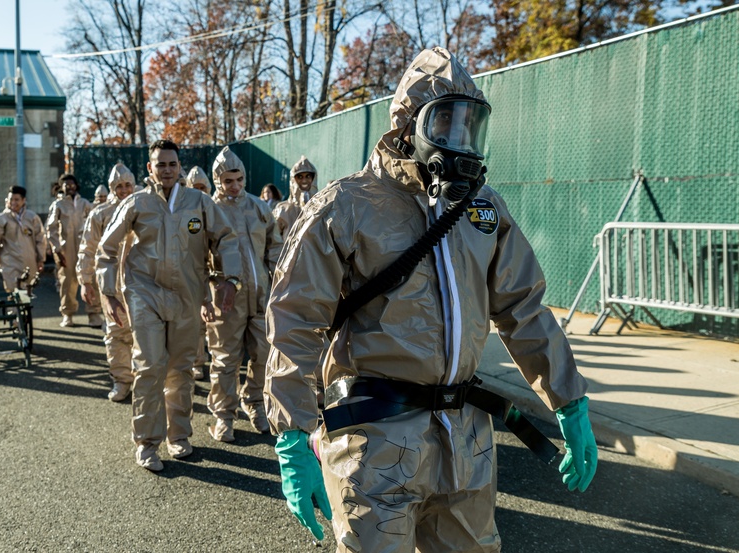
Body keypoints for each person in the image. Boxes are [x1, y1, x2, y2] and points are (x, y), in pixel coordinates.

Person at [264, 47, 597, 551]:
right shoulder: (345, 205)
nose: (460, 140)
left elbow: (522, 308)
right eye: (446, 122)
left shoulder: (483, 210)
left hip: (465, 440)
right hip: (373, 440)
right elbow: (295, 320)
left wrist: (569, 400)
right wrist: (292, 436)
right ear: (407, 125)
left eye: (470, 125)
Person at [96, 139, 242, 472]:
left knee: (180, 368)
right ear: (150, 169)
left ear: (179, 167)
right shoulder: (137, 203)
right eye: (160, 164)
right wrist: (108, 291)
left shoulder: (199, 202)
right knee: (149, 366)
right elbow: (107, 249)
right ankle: (147, 443)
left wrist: (230, 280)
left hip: (187, 295)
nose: (166, 170)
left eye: (172, 164)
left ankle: (178, 435)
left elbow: (225, 239)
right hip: (144, 291)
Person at [205, 147, 282, 441]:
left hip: (261, 294)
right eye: (227, 181)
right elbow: (199, 255)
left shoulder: (259, 207)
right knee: (225, 359)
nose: (234, 186)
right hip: (226, 298)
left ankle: (256, 404)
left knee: (263, 354)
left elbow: (274, 247)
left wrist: (277, 282)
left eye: (238, 179)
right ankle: (224, 415)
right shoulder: (208, 209)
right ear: (217, 180)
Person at [78, 163, 137, 402]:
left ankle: (147, 382)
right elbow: (87, 248)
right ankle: (122, 380)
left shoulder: (146, 204)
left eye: (127, 185)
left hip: (145, 281)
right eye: (118, 186)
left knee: (148, 334)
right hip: (112, 283)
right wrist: (85, 281)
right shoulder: (100, 213)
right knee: (117, 333)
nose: (123, 190)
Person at [47, 173, 102, 327]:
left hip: (86, 246)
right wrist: (57, 250)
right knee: (67, 281)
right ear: (61, 187)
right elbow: (51, 229)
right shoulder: (57, 205)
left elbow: (95, 222)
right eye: (66, 184)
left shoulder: (85, 203)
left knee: (90, 278)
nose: (69, 187)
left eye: (72, 184)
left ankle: (94, 313)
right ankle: (68, 314)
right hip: (66, 249)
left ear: (76, 185)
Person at [0, 186, 46, 293]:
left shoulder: (32, 217)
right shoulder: (1, 219)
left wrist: (41, 258)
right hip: (10, 262)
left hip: (29, 261)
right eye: (11, 199)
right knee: (13, 291)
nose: (13, 202)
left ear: (23, 200)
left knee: (27, 292)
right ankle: (12, 310)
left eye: (16, 200)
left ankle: (25, 310)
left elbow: (40, 239)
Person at [185, 165, 213, 381]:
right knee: (196, 321)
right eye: (195, 187)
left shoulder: (216, 207)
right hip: (194, 273)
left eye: (203, 187)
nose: (200, 191)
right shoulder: (186, 212)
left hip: (216, 274)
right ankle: (197, 361)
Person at [272, 156, 318, 240]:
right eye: (300, 177)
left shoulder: (321, 206)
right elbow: (274, 241)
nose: (304, 181)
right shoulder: (283, 209)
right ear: (293, 180)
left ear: (313, 178)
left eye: (308, 176)